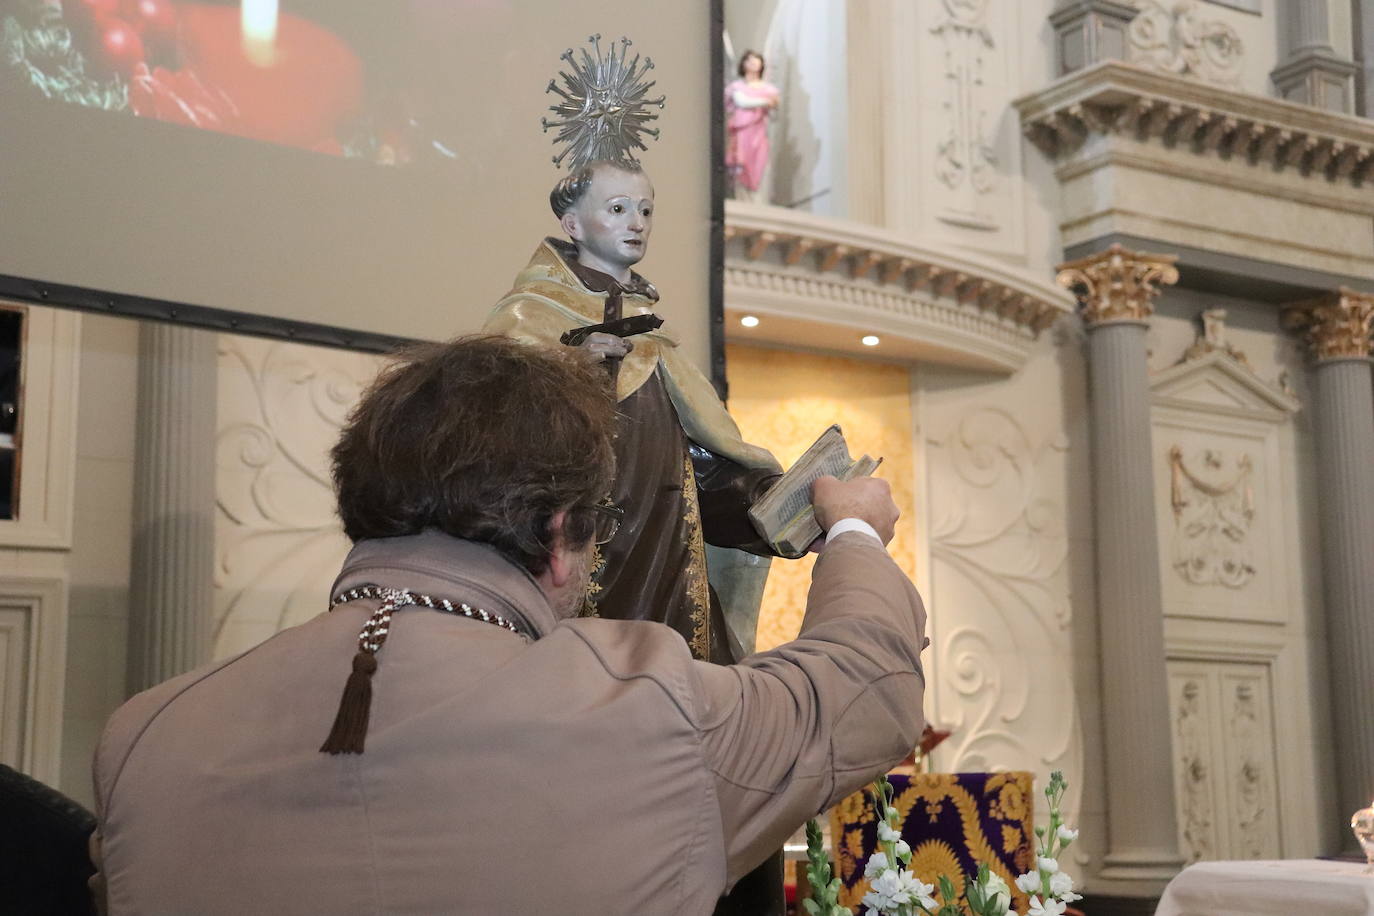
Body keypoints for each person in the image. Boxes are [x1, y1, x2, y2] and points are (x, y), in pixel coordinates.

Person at [89, 336, 928, 915]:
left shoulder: (145, 739)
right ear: (562, 538)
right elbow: (859, 692)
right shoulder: (643, 709)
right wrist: (852, 527)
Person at [485, 159, 783, 667]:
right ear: (572, 225)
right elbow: (494, 440)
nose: (637, 222)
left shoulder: (654, 339)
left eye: (645, 210)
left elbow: (699, 466)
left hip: (667, 571)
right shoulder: (526, 319)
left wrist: (783, 511)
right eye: (618, 208)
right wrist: (571, 373)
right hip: (575, 567)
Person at [725, 50, 780, 202]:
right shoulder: (736, 87)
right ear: (743, 64)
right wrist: (765, 101)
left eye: (756, 60)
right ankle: (743, 202)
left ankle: (759, 205)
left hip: (758, 134)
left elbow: (775, 111)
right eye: (749, 60)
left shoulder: (768, 89)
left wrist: (770, 102)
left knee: (761, 167)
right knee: (740, 170)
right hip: (742, 134)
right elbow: (742, 102)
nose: (753, 63)